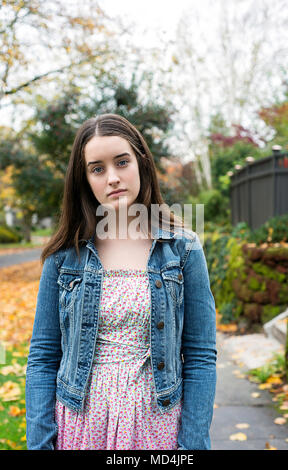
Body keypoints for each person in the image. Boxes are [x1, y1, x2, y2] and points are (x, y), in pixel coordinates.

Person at [25, 113, 217, 450]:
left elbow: (200, 356)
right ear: (84, 179)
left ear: (141, 163)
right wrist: (40, 444)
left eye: (122, 162)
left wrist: (192, 446)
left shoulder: (182, 250)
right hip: (81, 427)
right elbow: (42, 357)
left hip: (157, 428)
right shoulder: (63, 258)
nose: (112, 177)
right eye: (97, 168)